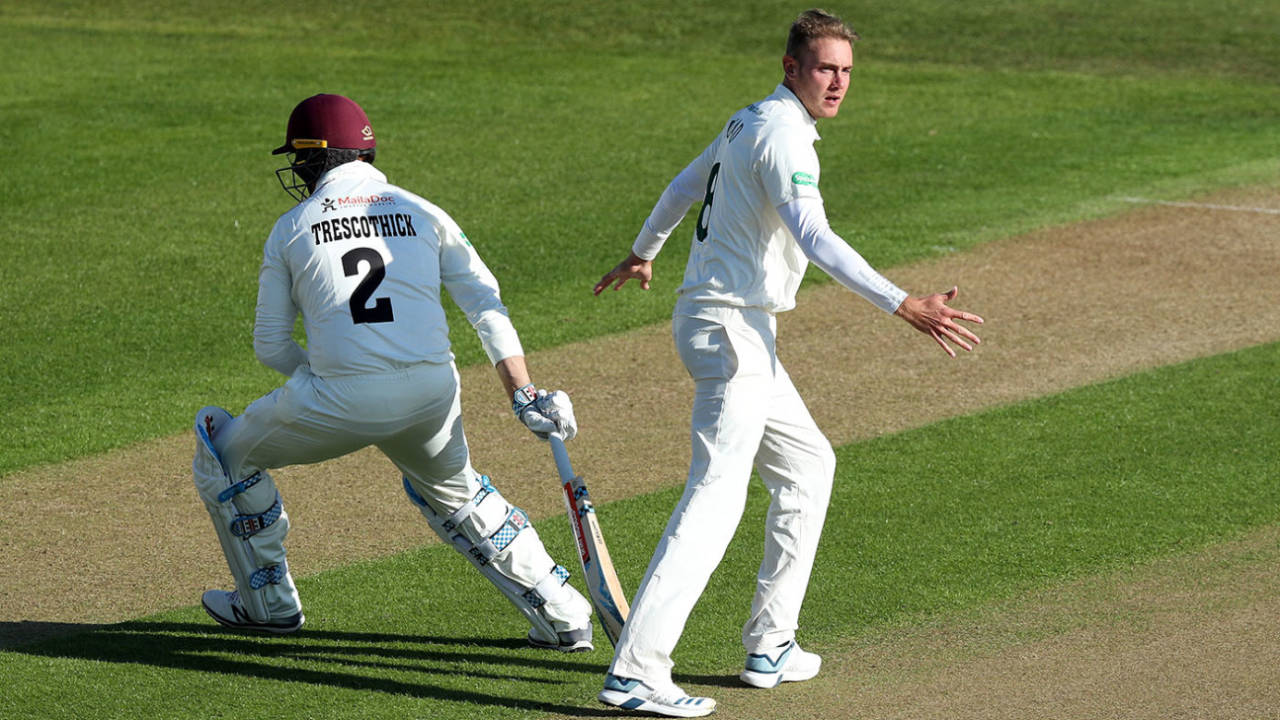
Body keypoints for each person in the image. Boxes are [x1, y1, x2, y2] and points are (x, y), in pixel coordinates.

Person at [591, 9, 984, 716]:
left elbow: (685, 185)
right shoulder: (781, 139)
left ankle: (769, 645)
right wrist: (905, 304)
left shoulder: (750, 122)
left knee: (809, 466)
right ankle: (637, 672)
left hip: (735, 328)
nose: (837, 83)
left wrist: (645, 250)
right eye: (825, 68)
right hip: (732, 329)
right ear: (791, 66)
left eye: (846, 72)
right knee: (714, 500)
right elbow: (816, 236)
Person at [192, 93, 594, 652]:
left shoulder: (291, 227)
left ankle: (268, 606)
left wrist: (328, 379)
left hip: (338, 400)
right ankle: (564, 614)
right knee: (460, 495)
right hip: (433, 392)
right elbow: (484, 303)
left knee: (223, 456)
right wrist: (522, 390)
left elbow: (270, 345)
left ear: (316, 158)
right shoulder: (422, 209)